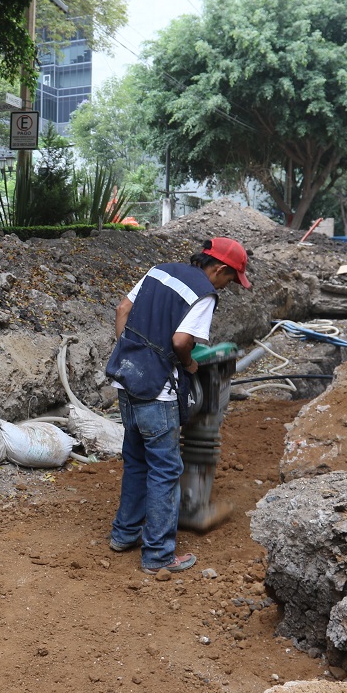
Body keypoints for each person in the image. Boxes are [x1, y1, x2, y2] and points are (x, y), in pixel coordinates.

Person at [104, 237, 252, 575]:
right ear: (220, 269)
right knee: (166, 470)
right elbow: (181, 341)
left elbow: (121, 309)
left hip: (126, 380)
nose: (227, 286)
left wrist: (131, 354)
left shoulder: (160, 271)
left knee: (137, 459)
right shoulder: (204, 293)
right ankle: (158, 554)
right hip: (158, 391)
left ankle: (124, 535)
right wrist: (186, 365)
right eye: (230, 279)